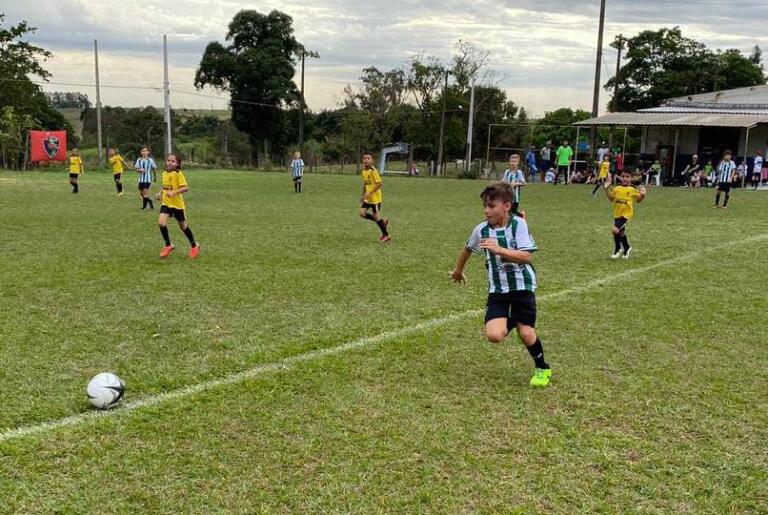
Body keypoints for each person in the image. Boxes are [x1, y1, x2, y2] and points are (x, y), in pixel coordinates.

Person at [450, 181, 551, 387]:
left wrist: (499, 250)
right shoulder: (481, 230)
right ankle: (512, 319)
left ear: (506, 206)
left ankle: (542, 368)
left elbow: (525, 256)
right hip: (498, 289)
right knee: (495, 335)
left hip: (522, 286)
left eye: (491, 206)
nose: (486, 211)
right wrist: (458, 271)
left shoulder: (519, 225)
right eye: (485, 206)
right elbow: (467, 249)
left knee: (526, 333)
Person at [156, 153, 200, 259]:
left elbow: (185, 188)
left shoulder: (178, 174)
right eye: (168, 160)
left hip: (177, 205)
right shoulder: (164, 173)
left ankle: (194, 246)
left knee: (183, 226)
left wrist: (174, 193)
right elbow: (165, 187)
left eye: (173, 161)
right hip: (166, 203)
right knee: (161, 223)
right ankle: (168, 245)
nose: (170, 162)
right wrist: (160, 193)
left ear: (177, 164)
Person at [603, 169, 646, 259]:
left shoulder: (632, 189)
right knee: (621, 232)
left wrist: (642, 195)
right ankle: (627, 247)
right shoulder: (617, 188)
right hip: (617, 214)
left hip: (626, 214)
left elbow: (638, 200)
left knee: (615, 230)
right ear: (619, 177)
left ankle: (618, 248)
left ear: (631, 178)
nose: (625, 178)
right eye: (623, 176)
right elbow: (611, 198)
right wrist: (606, 188)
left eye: (627, 177)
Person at [358, 153, 391, 242]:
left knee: (376, 215)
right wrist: (363, 194)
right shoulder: (363, 171)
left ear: (372, 161)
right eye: (364, 158)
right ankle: (382, 222)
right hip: (368, 198)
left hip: (375, 198)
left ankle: (386, 235)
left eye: (368, 158)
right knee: (362, 213)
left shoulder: (373, 170)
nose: (366, 160)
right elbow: (366, 183)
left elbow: (379, 183)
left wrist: (370, 192)